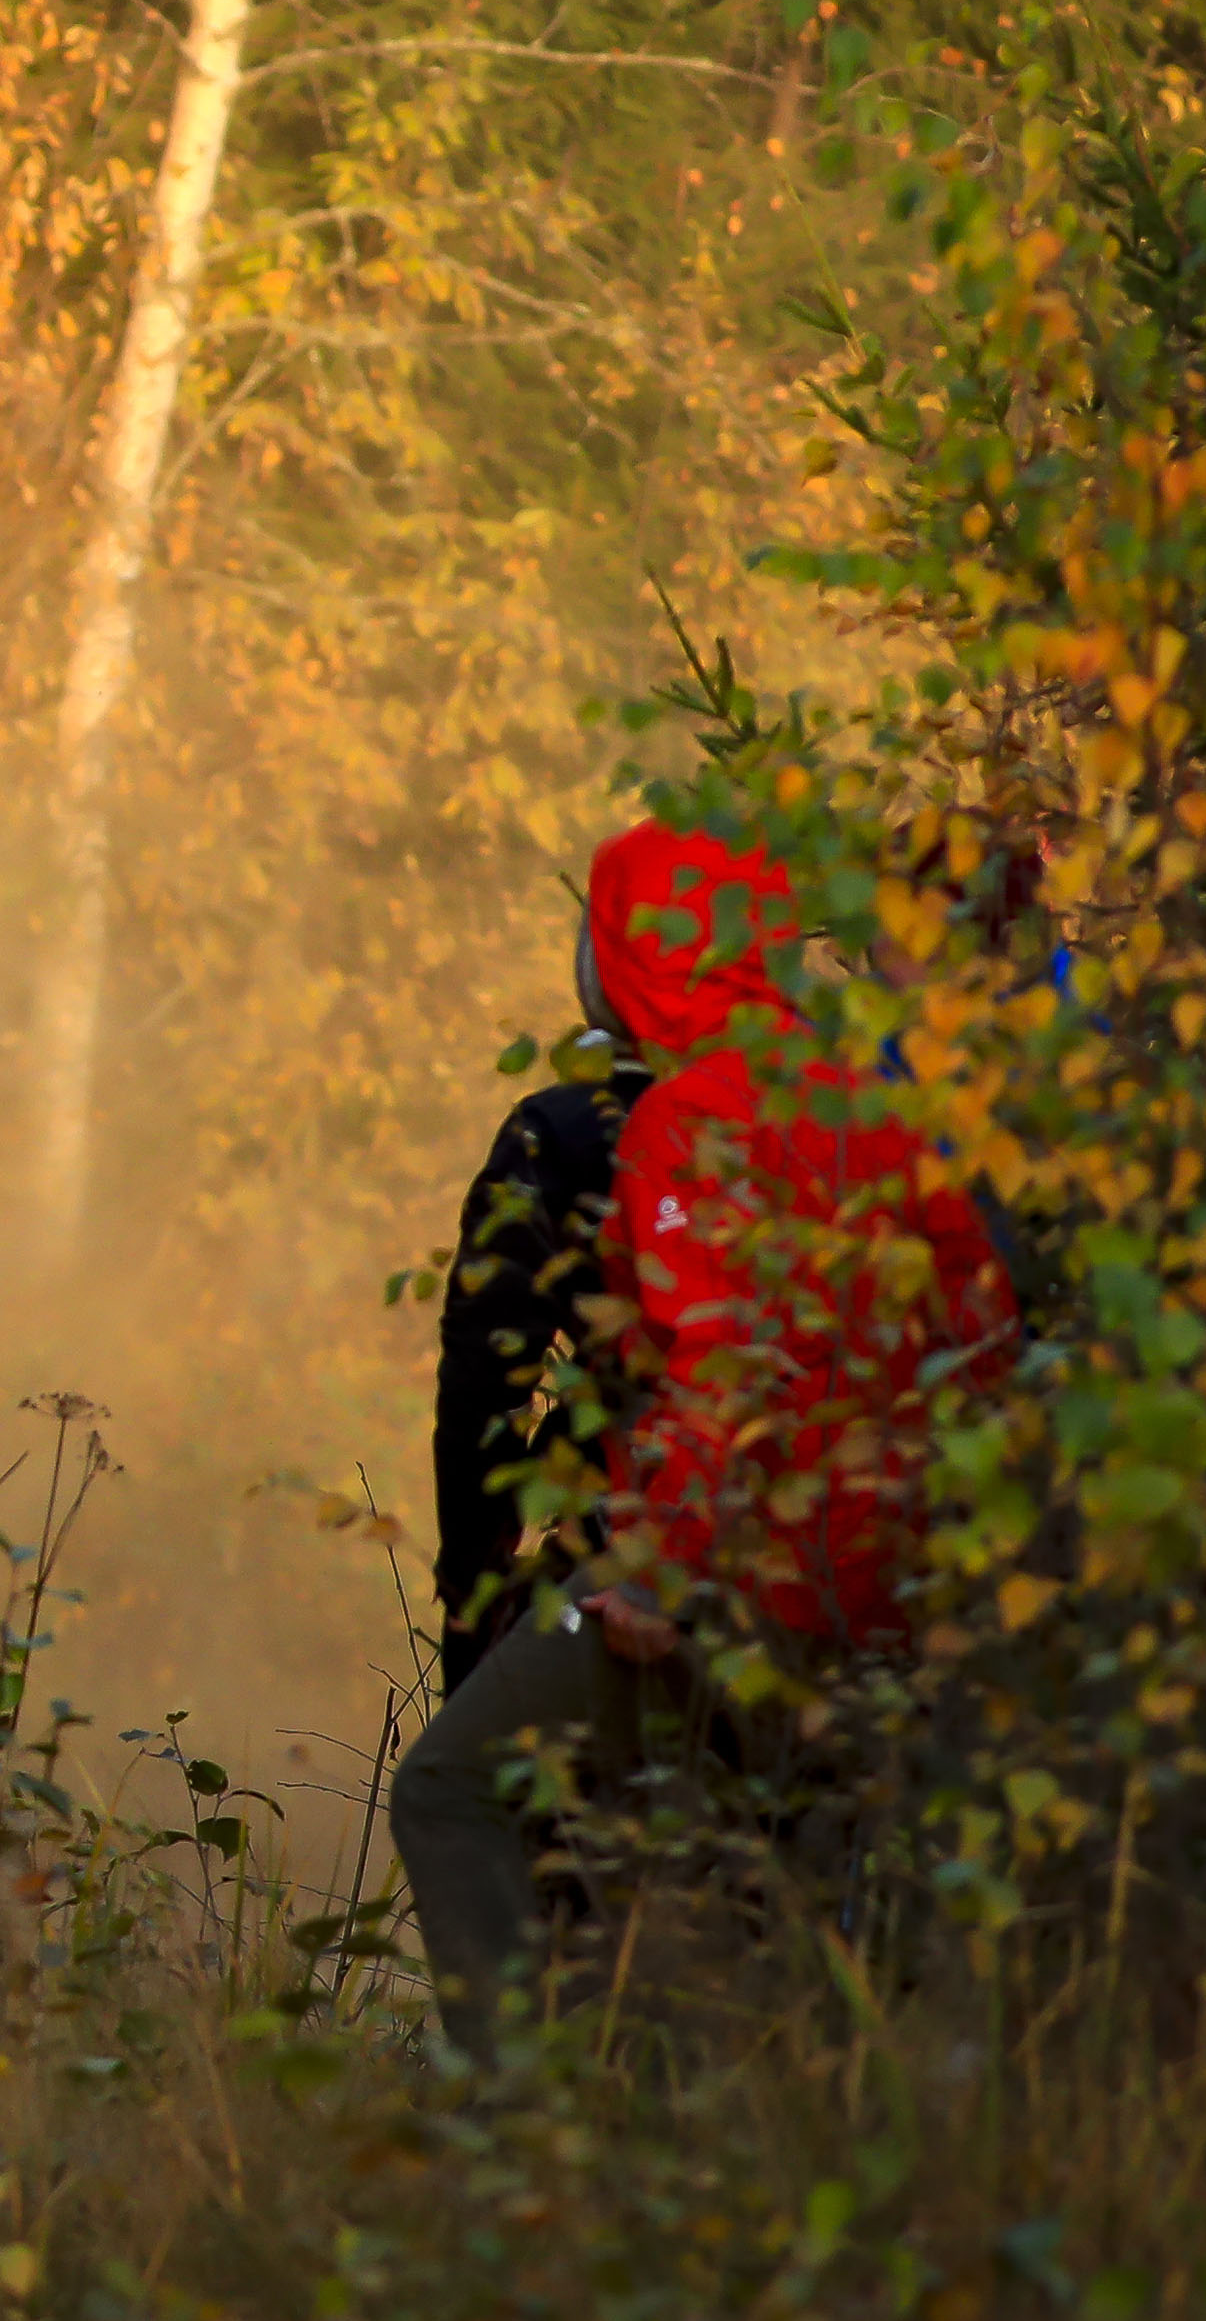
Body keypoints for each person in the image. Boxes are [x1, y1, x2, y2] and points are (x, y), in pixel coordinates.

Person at [391, 815, 1022, 2053]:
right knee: (780, 1903)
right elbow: (980, 1333)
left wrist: (636, 1573)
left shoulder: (661, 1121)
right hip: (886, 1587)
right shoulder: (877, 1103)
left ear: (615, 961)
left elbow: (702, 1362)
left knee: (456, 1791)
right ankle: (776, 2121)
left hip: (716, 1579)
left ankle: (525, 2115)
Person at [427, 914, 654, 1691]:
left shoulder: (561, 1134)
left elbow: (486, 1376)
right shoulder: (830, 1105)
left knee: (457, 1769)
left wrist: (473, 1579)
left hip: (629, 1559)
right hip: (846, 1561)